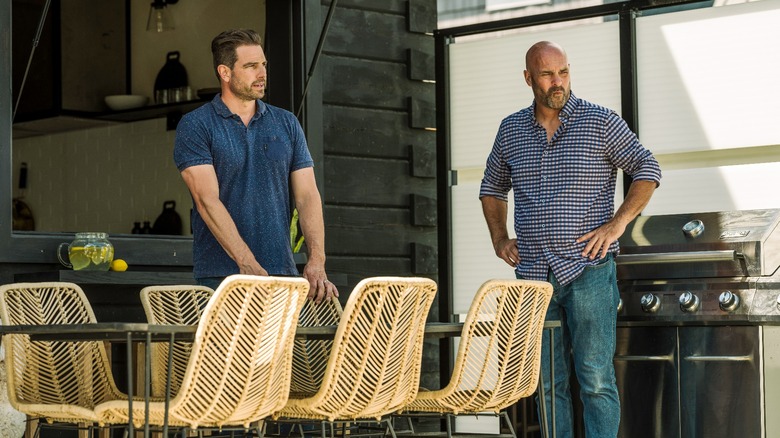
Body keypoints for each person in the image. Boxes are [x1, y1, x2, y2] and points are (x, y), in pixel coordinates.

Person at [479, 41, 661, 437]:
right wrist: (499, 239)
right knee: (547, 384)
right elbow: (492, 187)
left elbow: (647, 168)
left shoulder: (600, 122)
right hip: (533, 277)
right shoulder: (511, 129)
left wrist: (617, 224)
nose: (557, 82)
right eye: (546, 74)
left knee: (595, 380)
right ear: (529, 78)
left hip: (588, 271)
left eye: (562, 72)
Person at [174, 29, 338, 303]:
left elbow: (308, 196)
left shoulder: (286, 123)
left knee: (282, 349)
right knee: (229, 349)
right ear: (225, 72)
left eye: (263, 64)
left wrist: (316, 261)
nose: (262, 73)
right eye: (251, 66)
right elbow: (206, 201)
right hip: (224, 276)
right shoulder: (196, 125)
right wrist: (246, 263)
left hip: (283, 274)